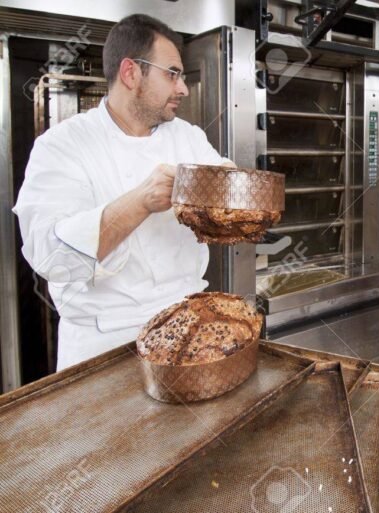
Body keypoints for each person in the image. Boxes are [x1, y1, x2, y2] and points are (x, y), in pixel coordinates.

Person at [13, 14, 233, 370]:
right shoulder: (62, 145)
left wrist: (230, 187)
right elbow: (53, 258)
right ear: (131, 73)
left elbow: (228, 183)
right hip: (105, 345)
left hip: (187, 332)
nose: (183, 89)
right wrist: (142, 201)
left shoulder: (187, 137)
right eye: (172, 74)